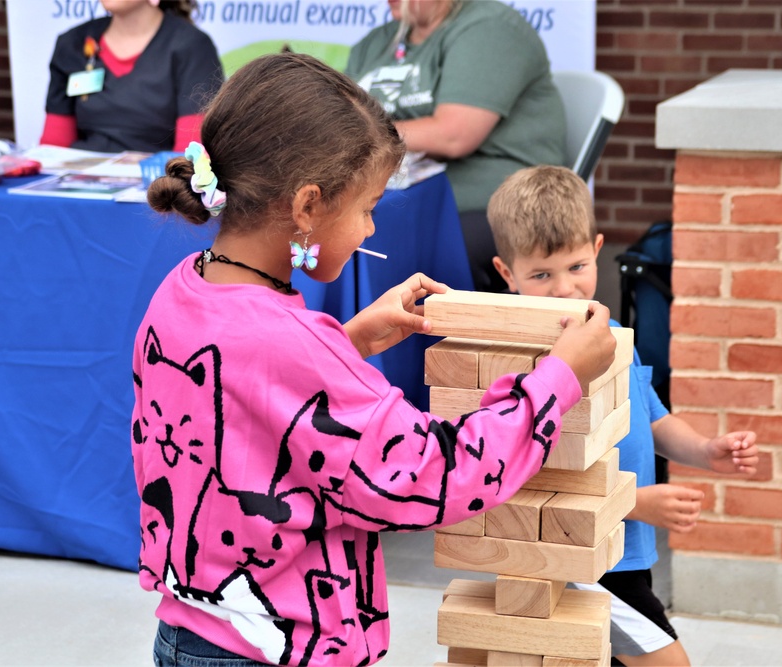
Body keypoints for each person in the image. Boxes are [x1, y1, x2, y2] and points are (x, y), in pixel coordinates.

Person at [134, 53, 617, 666]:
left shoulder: (181, 290)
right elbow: (434, 474)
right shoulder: (293, 346)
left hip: (190, 634)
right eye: (367, 207)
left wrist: (347, 342)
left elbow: (244, 400)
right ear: (307, 207)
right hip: (278, 648)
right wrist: (558, 379)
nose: (367, 231)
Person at [486, 165, 759, 667]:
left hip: (628, 553)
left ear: (597, 249)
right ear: (507, 273)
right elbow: (539, 476)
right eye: (541, 275)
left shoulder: (611, 336)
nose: (565, 289)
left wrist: (703, 450)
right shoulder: (525, 361)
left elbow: (651, 418)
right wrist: (632, 501)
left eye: (575, 267)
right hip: (576, 559)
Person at [345, 0, 566, 294]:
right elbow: (342, 115)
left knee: (379, 236)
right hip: (396, 191)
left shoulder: (490, 29)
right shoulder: (377, 42)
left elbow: (454, 136)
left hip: (488, 202)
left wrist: (360, 133)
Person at [40, 0, 222, 153]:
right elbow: (55, 148)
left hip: (156, 186)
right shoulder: (73, 42)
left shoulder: (192, 46)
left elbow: (191, 155)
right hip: (78, 182)